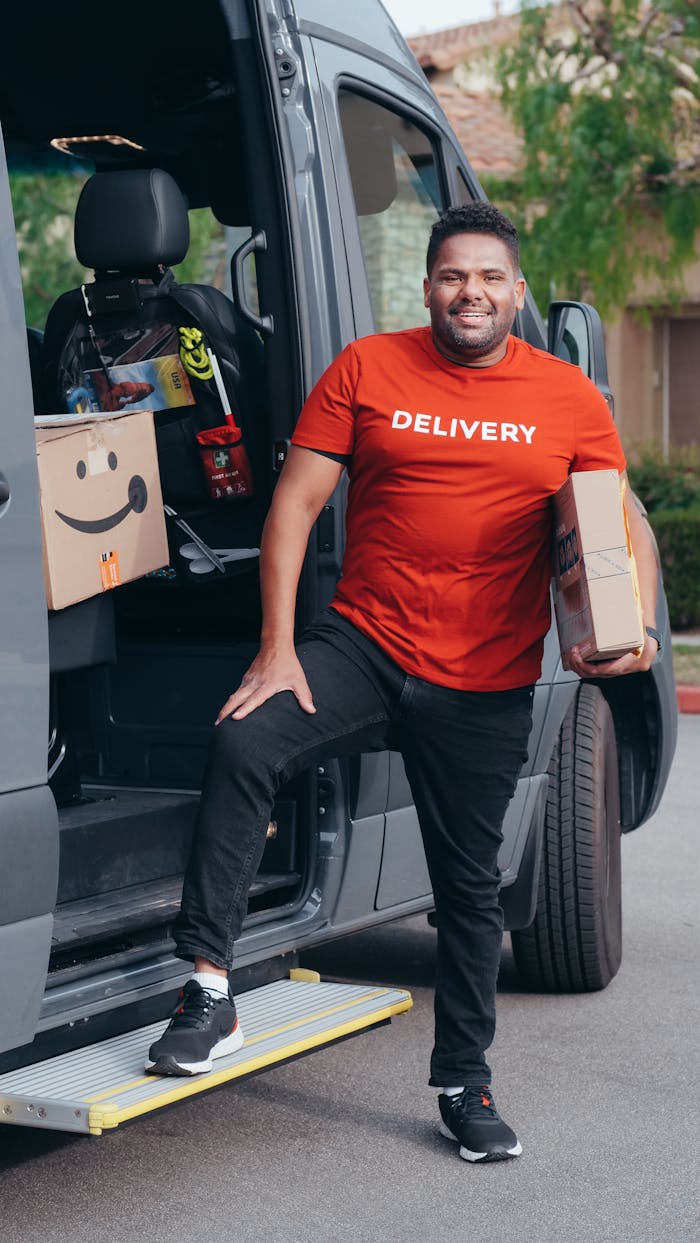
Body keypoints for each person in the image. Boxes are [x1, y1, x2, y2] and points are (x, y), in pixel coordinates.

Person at [145, 202, 660, 1163]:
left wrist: (626, 627)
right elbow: (294, 508)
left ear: (517, 290)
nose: (473, 292)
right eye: (454, 276)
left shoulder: (569, 398)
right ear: (427, 286)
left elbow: (612, 520)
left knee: (469, 888)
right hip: (365, 644)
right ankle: (210, 991)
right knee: (245, 738)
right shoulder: (368, 367)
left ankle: (465, 1083)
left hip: (489, 673)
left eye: (491, 277)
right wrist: (277, 646)